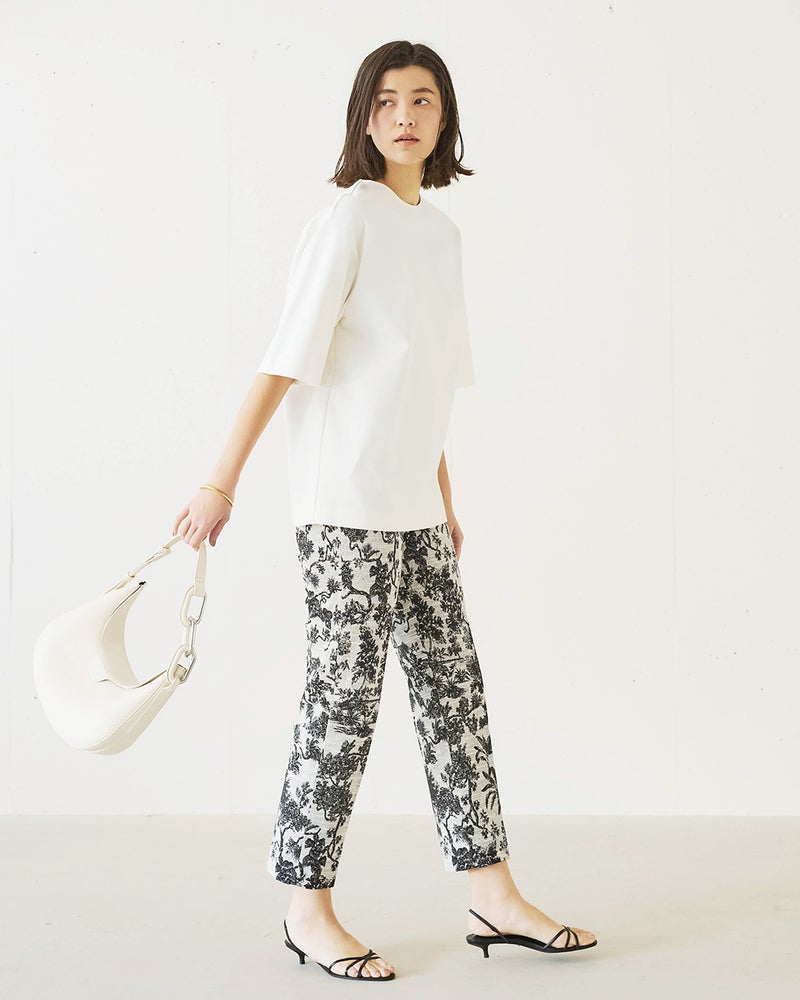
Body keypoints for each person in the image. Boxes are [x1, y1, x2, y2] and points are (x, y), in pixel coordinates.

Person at [172, 39, 597, 983]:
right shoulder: (348, 219)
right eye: (389, 100)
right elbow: (285, 358)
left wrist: (442, 501)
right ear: (365, 118)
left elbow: (421, 384)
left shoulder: (440, 237)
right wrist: (220, 482)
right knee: (343, 707)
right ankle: (307, 911)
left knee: (455, 698)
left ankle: (493, 896)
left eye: (425, 100)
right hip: (345, 512)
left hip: (414, 513)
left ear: (446, 120)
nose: (406, 116)